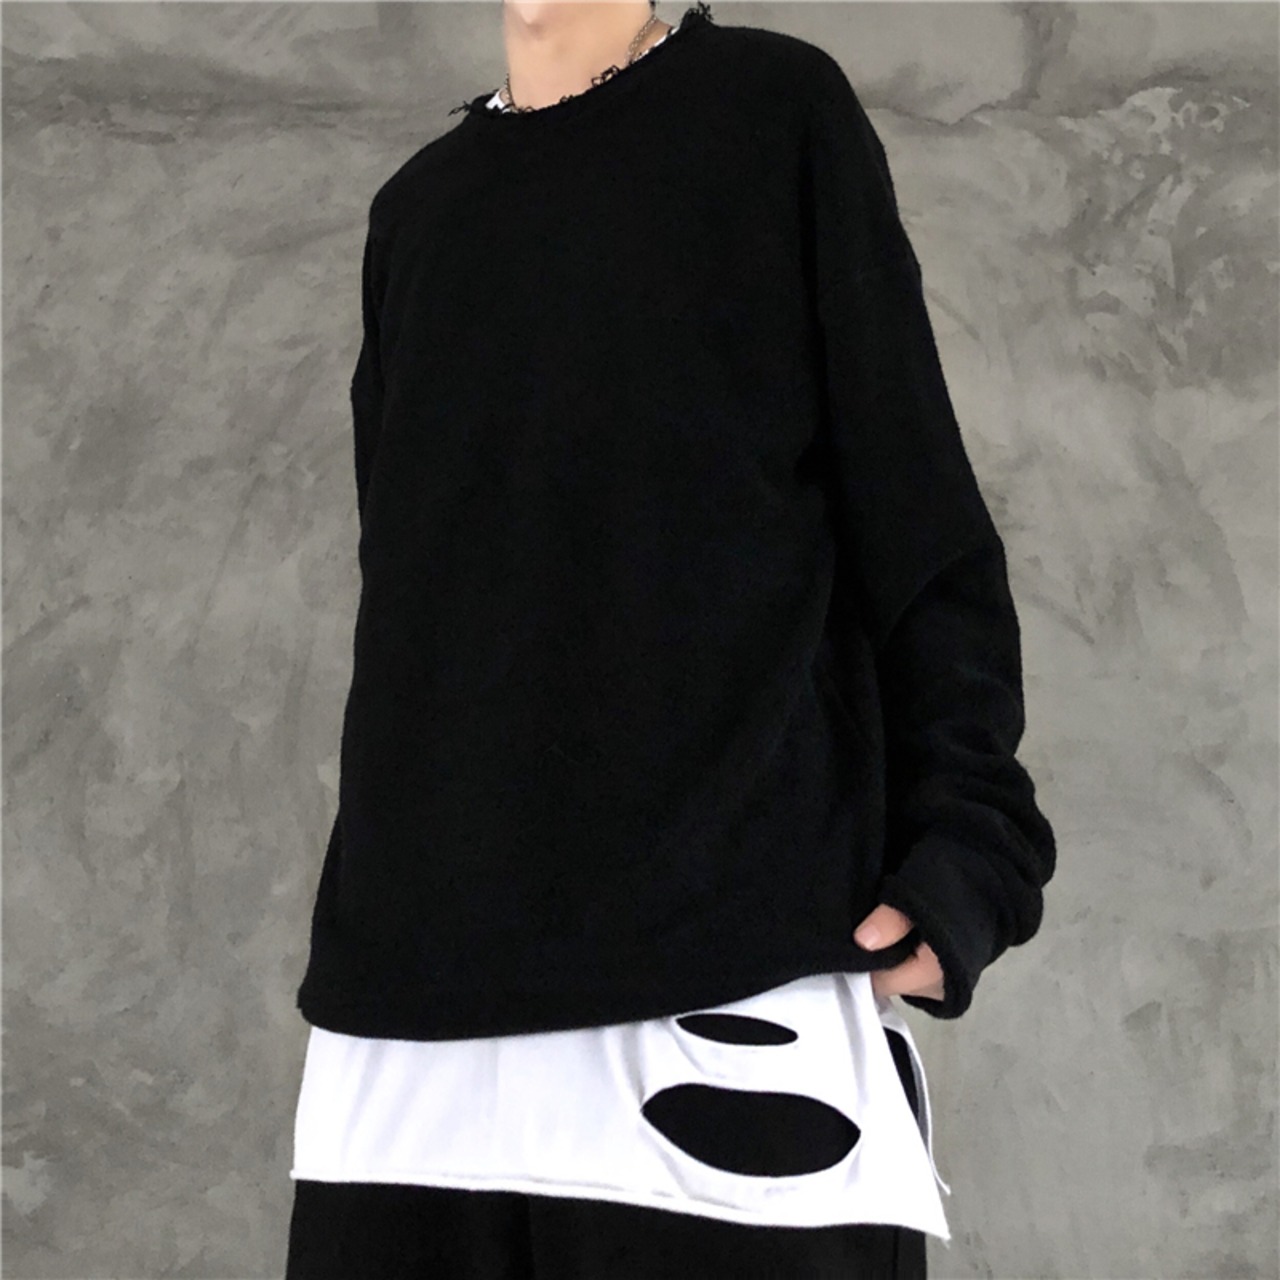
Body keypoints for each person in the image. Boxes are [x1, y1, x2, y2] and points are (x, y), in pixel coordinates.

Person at [284, 3, 1057, 1276]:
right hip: (410, 1020)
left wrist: (973, 850)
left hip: (724, 967)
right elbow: (422, 606)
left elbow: (913, 511)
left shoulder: (769, 114)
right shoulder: (418, 213)